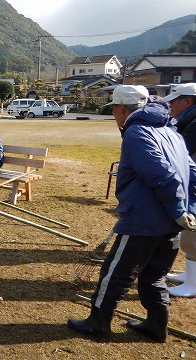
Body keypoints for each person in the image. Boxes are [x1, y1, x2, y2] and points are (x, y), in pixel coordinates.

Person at [67, 85, 196, 343]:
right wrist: (185, 211)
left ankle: (97, 323)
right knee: (154, 274)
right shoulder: (170, 131)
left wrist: (179, 209)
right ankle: (157, 325)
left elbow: (162, 175)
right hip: (171, 222)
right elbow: (192, 173)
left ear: (121, 108)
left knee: (115, 273)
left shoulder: (137, 133)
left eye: (113, 110)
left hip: (144, 220)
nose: (113, 116)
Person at [161, 83, 196, 297]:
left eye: (174, 101)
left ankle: (193, 284)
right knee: (188, 232)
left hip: (193, 184)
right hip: (190, 182)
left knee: (193, 232)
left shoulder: (193, 124)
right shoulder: (187, 121)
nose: (171, 105)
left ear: (188, 101)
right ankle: (189, 274)